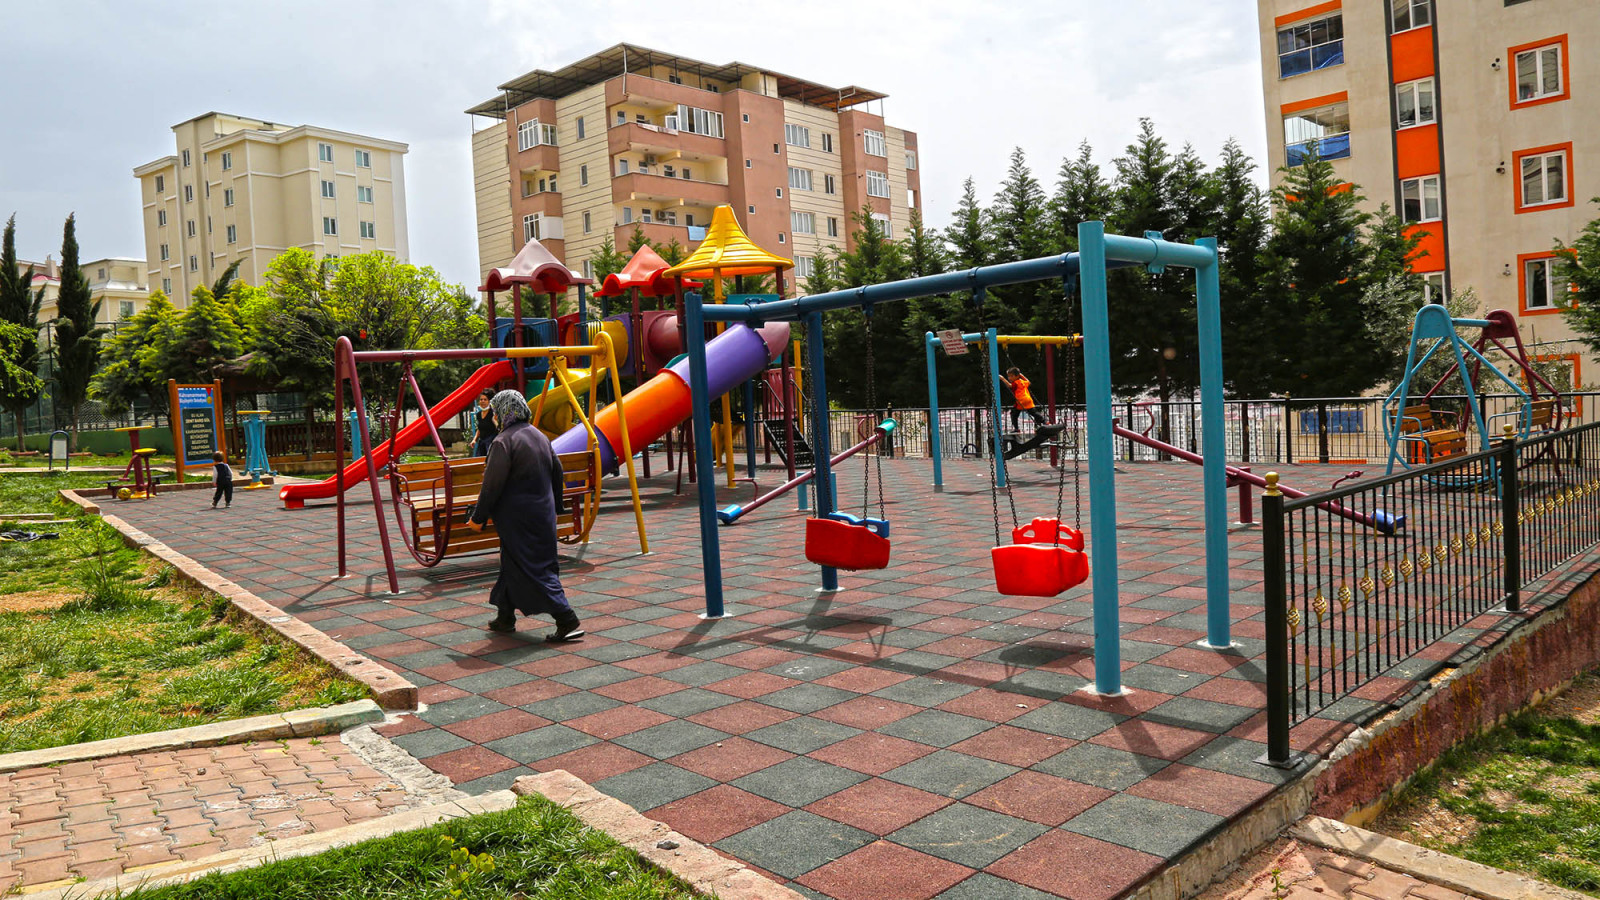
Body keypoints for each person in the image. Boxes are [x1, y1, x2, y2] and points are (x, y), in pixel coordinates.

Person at [467, 390, 584, 641]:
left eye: (496, 411)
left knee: (533, 567)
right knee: (515, 562)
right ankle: (505, 616)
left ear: (503, 411)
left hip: (516, 517)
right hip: (542, 513)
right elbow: (557, 471)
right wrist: (557, 506)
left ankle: (567, 619)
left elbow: (491, 485)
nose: (494, 416)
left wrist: (478, 517)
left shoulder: (503, 441)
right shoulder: (538, 435)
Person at [1004, 367, 1050, 431]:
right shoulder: (1023, 382)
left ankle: (1016, 428)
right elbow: (1028, 382)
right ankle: (1045, 421)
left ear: (1017, 376)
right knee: (1034, 412)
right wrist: (1022, 375)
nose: (1009, 378)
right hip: (1028, 399)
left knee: (1013, 414)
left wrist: (1002, 378)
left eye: (1011, 376)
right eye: (1008, 376)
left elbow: (1010, 385)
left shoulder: (1015, 383)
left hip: (1021, 400)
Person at [470, 388, 498, 457]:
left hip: (491, 443)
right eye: (481, 399)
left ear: (489, 401)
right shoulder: (479, 414)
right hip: (482, 443)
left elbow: (499, 427)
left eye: (485, 399)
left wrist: (495, 420)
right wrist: (474, 440)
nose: (482, 401)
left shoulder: (493, 413)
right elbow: (480, 428)